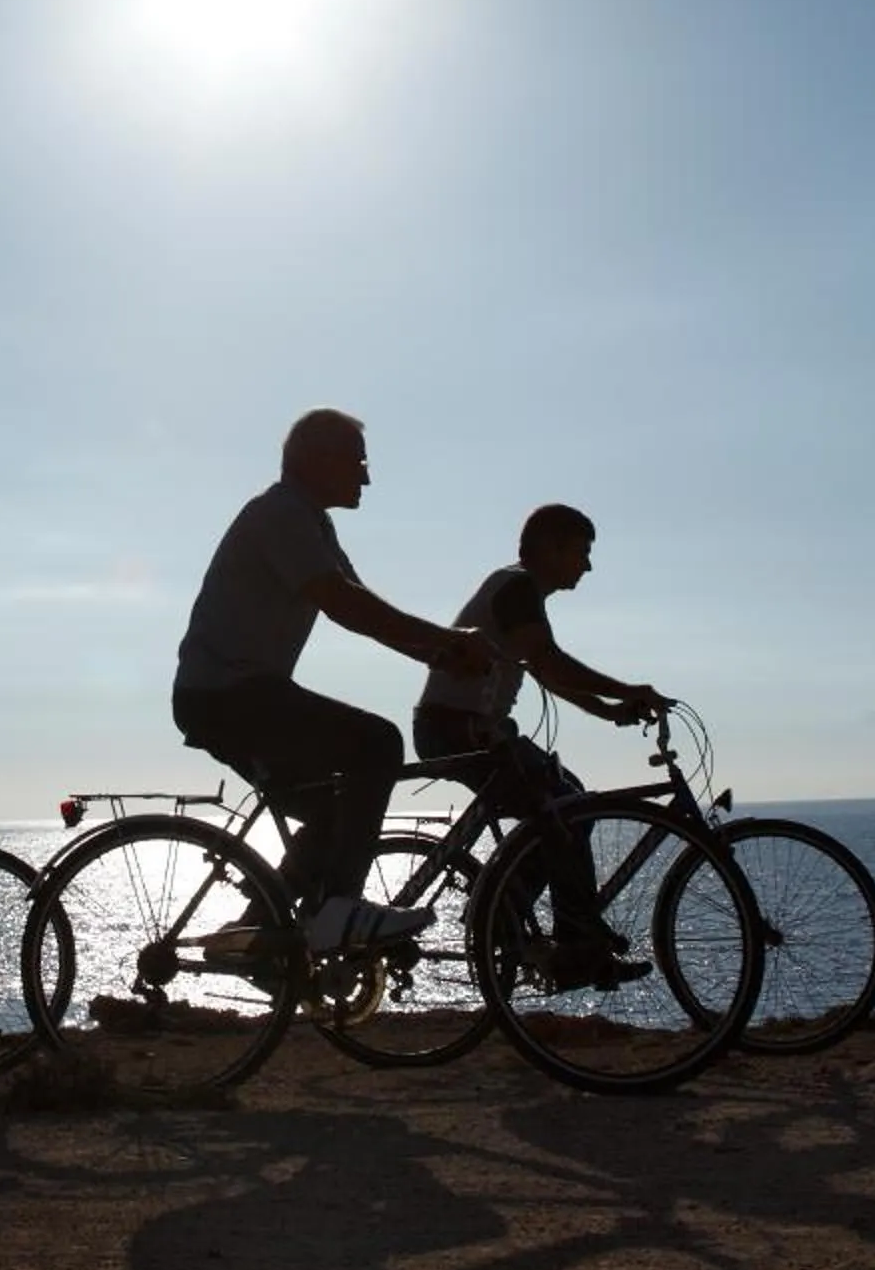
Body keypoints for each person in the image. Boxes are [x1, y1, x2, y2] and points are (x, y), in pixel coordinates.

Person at [172, 408, 494, 955]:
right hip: (227, 695)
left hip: (238, 694)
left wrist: (444, 653)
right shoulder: (281, 515)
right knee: (377, 742)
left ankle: (254, 933)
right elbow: (349, 607)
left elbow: (363, 607)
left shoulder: (311, 521)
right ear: (319, 460)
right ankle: (339, 907)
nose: (366, 477)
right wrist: (446, 644)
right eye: (359, 462)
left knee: (334, 806)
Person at [411, 502, 664, 988]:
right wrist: (628, 690)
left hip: (472, 727)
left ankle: (509, 916)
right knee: (568, 808)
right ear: (550, 547)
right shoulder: (518, 587)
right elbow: (549, 663)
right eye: (582, 553)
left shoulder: (518, 589)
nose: (587, 566)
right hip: (458, 727)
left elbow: (547, 672)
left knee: (570, 801)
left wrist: (610, 711)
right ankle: (568, 941)